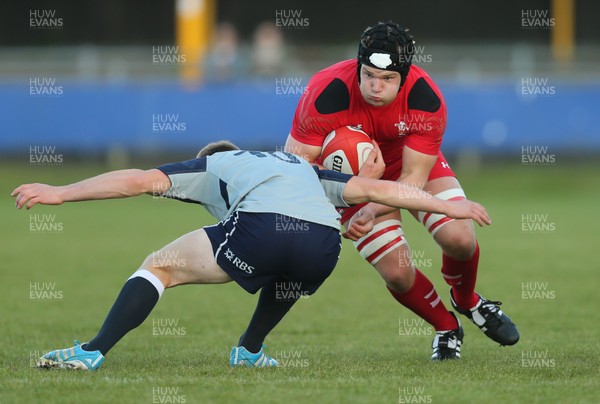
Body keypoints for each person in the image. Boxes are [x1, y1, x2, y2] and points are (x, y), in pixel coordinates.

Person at [12, 140, 490, 370]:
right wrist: (450, 204)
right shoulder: (296, 165)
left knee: (158, 265)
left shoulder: (210, 165)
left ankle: (92, 352)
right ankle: (249, 351)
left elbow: (135, 180)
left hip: (262, 230)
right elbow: (377, 188)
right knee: (285, 275)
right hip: (324, 245)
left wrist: (60, 192)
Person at [285, 21, 519, 360]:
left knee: (460, 238)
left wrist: (370, 209)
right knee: (396, 271)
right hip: (348, 178)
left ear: (405, 76)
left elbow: (413, 178)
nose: (375, 87)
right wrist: (345, 198)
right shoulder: (325, 92)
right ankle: (446, 328)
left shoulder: (426, 99)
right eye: (368, 75)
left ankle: (467, 300)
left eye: (388, 79)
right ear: (358, 66)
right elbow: (296, 168)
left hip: (406, 168)